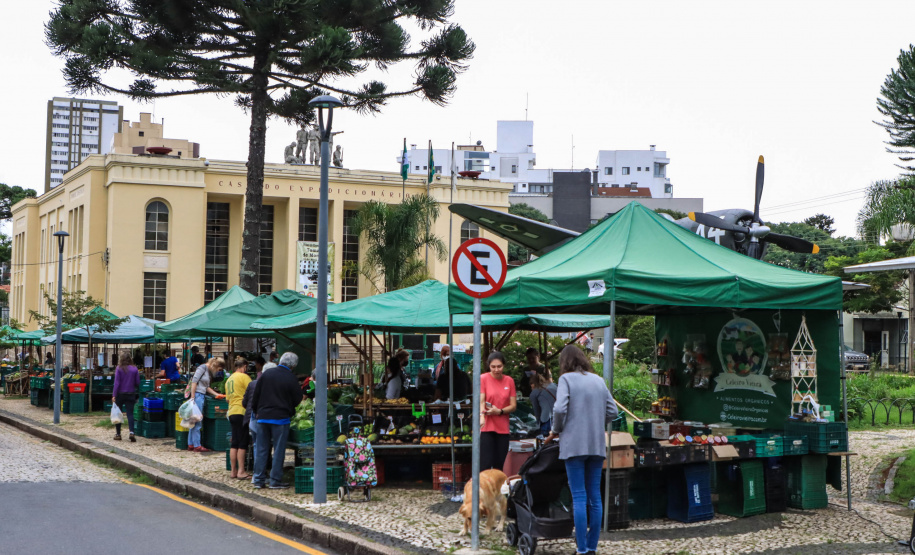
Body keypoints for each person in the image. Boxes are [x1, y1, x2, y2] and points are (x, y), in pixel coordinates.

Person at [545, 345, 618, 555]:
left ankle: (582, 548)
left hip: (574, 444)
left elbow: (559, 408)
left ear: (564, 362)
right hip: (596, 443)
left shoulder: (566, 380)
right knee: (595, 495)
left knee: (578, 496)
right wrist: (597, 422)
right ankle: (593, 546)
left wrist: (557, 429)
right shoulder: (598, 380)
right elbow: (612, 411)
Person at [251, 353, 303, 489]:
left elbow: (256, 395)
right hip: (281, 418)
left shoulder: (267, 374)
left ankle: (258, 479)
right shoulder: (291, 378)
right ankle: (275, 480)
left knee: (262, 449)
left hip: (262, 417)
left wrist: (257, 411)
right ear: (293, 365)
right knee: (279, 450)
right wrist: (289, 408)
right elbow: (298, 398)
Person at [480, 351, 517, 471]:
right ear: (489, 366)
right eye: (493, 367)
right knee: (485, 463)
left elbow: (513, 406)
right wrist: (481, 416)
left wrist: (500, 411)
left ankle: (497, 488)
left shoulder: (509, 381)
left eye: (499, 366)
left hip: (503, 428)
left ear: (504, 366)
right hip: (487, 426)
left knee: (499, 464)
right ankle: (483, 488)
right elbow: (481, 401)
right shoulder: (483, 378)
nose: (496, 369)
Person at [186, 357, 226, 452]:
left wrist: (217, 394)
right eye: (219, 369)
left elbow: (206, 387)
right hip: (198, 396)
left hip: (200, 395)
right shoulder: (202, 368)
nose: (218, 371)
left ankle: (191, 444)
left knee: (193, 420)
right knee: (197, 420)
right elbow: (194, 382)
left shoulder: (207, 371)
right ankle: (197, 445)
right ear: (216, 365)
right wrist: (193, 397)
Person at [243, 361, 275, 477]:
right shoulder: (272, 385)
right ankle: (263, 473)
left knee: (258, 446)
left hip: (253, 418)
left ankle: (258, 474)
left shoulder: (253, 383)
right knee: (265, 446)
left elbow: (246, 402)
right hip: (265, 418)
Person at [226, 357, 252, 479]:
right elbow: (253, 391)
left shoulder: (229, 379)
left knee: (234, 442)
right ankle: (241, 471)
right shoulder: (244, 377)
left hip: (231, 412)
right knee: (243, 442)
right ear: (244, 367)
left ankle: (233, 471)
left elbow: (227, 398)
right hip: (242, 411)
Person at [111, 351, 141, 442]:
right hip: (131, 393)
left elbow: (117, 383)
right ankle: (132, 432)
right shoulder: (134, 369)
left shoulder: (119, 368)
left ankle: (118, 434)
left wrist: (114, 395)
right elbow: (137, 382)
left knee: (118, 414)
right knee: (130, 414)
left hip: (120, 393)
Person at [529, 370, 557, 437]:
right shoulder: (554, 385)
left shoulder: (534, 392)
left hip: (547, 420)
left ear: (533, 384)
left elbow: (537, 411)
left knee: (547, 442)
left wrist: (538, 423)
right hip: (560, 418)